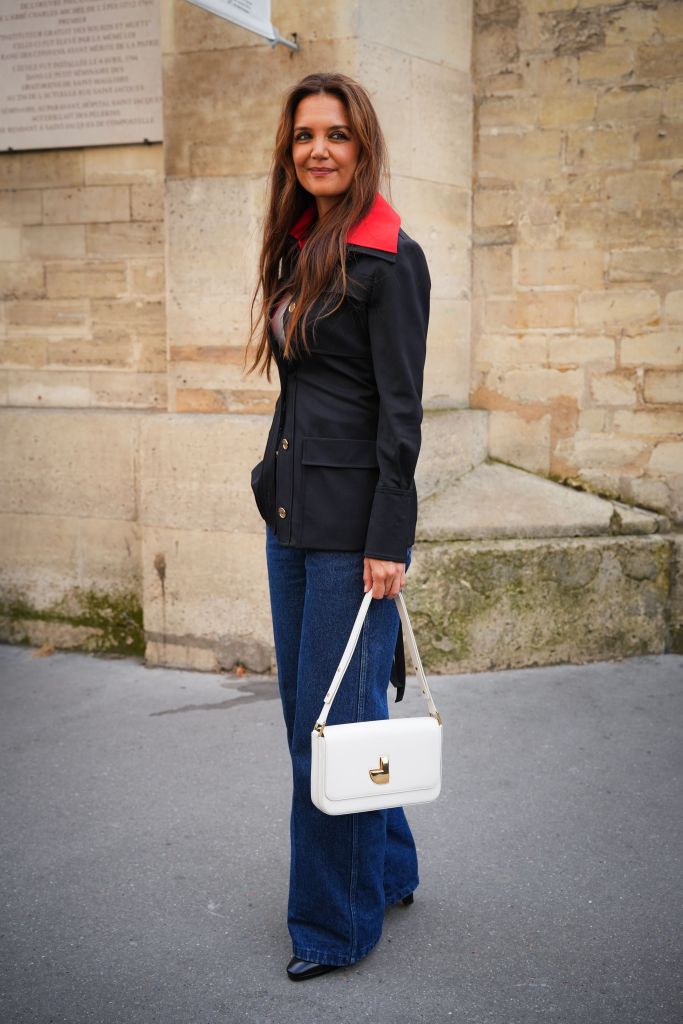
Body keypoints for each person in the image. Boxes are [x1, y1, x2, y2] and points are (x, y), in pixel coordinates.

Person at [244, 71, 431, 980]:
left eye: (337, 134)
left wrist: (389, 537)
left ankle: (333, 924)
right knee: (323, 718)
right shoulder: (301, 244)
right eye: (303, 135)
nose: (317, 148)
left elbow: (401, 413)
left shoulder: (390, 257)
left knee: (330, 729)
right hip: (289, 509)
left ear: (363, 145)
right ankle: (386, 866)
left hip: (353, 529)